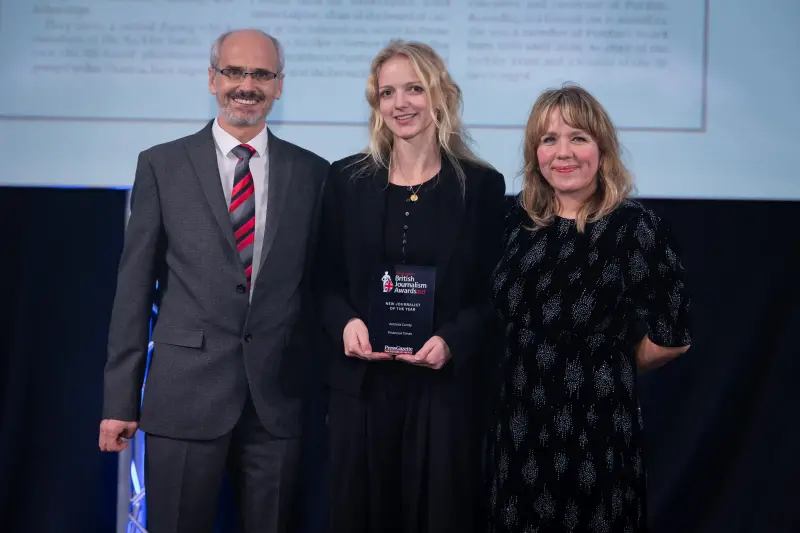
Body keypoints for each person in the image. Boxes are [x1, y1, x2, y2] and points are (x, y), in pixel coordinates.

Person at [98, 29, 329, 533]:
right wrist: (119, 401)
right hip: (182, 399)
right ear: (212, 78)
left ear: (279, 86)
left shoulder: (314, 174)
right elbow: (134, 291)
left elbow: (318, 293)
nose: (247, 85)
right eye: (234, 72)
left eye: (261, 75)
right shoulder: (161, 165)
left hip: (278, 404)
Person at [314, 40, 507, 533]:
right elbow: (322, 279)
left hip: (443, 392)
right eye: (387, 93)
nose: (401, 103)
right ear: (376, 104)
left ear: (440, 96)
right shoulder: (344, 180)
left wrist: (453, 340)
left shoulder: (481, 187)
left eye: (414, 89)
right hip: (362, 390)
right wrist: (347, 323)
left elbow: (495, 293)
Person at [488, 84, 692, 532]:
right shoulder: (512, 223)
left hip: (598, 432)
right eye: (549, 139)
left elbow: (671, 339)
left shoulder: (637, 228)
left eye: (578, 137)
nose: (563, 152)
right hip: (516, 427)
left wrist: (607, 364)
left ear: (602, 148)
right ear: (534, 153)